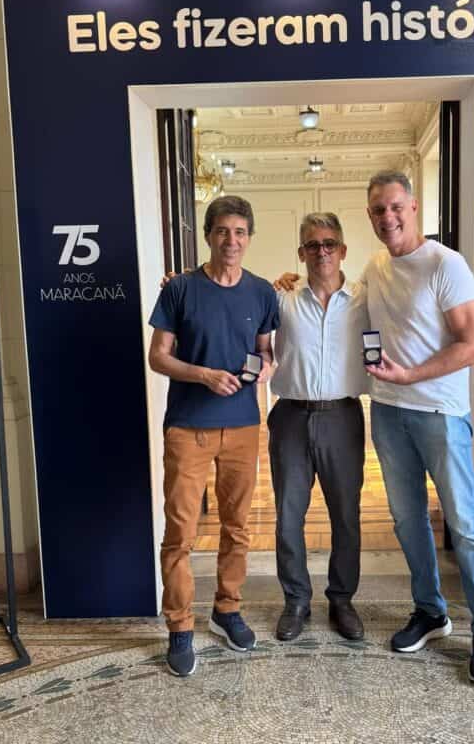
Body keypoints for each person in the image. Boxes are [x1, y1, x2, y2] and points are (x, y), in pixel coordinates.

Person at [362, 170, 474, 683]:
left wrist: (412, 375)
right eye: (378, 209)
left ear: (413, 206)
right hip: (387, 411)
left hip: (441, 413)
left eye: (395, 206)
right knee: (406, 521)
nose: (387, 217)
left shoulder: (447, 264)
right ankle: (431, 611)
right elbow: (342, 310)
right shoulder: (375, 267)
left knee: (464, 522)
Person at [148, 195, 279, 677]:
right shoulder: (180, 289)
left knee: (238, 527)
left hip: (244, 425)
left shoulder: (262, 292)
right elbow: (158, 356)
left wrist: (267, 366)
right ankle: (180, 625)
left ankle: (227, 610)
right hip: (188, 428)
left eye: (241, 232)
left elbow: (266, 350)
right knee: (180, 533)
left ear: (249, 237)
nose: (232, 240)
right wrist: (203, 375)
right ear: (208, 235)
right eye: (223, 231)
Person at [269, 212, 369, 642]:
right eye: (312, 245)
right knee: (289, 515)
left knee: (346, 515)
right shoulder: (282, 298)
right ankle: (296, 600)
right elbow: (235, 309)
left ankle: (342, 600)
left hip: (343, 416)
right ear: (301, 253)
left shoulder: (367, 297)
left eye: (329, 243)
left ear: (343, 250)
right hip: (290, 416)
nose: (321, 251)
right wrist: (180, 286)